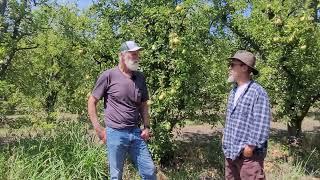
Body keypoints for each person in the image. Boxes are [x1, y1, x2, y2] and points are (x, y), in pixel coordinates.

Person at [87, 40, 156, 180]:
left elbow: (143, 105)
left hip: (136, 133)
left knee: (149, 171)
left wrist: (147, 127)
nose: (137, 58)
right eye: (133, 54)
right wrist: (98, 129)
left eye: (138, 55)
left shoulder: (140, 78)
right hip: (115, 133)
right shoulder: (109, 75)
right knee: (116, 175)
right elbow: (92, 101)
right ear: (121, 56)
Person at [222, 50, 271, 180]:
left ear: (244, 67)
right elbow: (231, 119)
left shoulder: (258, 92)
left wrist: (250, 147)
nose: (229, 68)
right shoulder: (234, 91)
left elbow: (262, 124)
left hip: (248, 157)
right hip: (230, 152)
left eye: (232, 64)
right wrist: (225, 139)